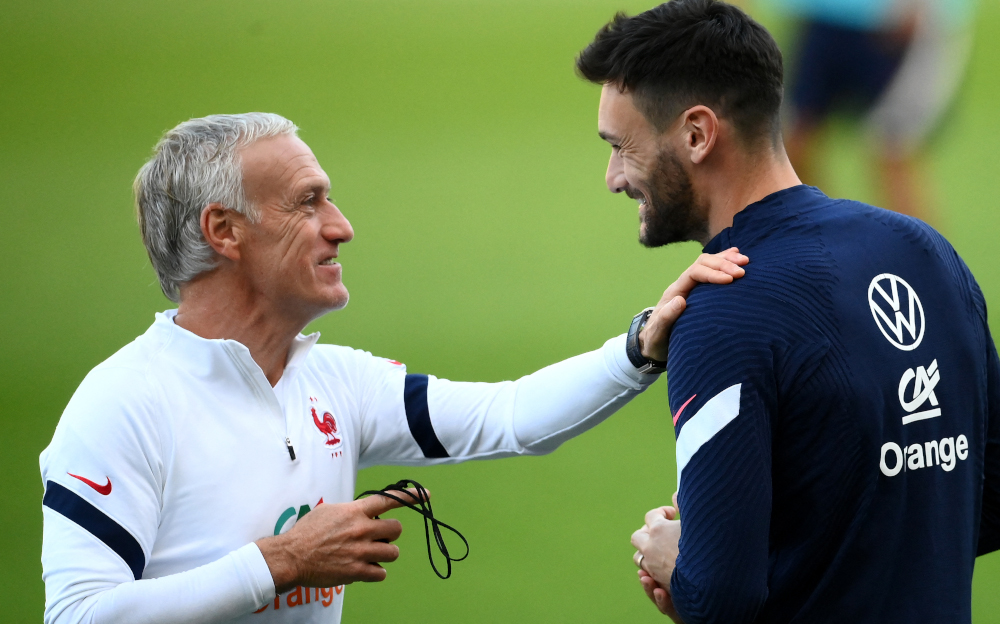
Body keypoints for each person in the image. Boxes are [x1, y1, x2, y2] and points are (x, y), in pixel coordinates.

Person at [38, 113, 748, 624]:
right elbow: (78, 613)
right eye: (306, 202)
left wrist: (639, 346)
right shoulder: (125, 402)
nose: (341, 225)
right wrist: (282, 561)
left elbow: (508, 417)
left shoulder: (336, 384)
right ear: (224, 231)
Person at [575, 1, 999, 622]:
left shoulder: (720, 314)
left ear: (697, 134)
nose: (613, 178)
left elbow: (720, 598)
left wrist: (677, 561)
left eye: (622, 147)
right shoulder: (925, 250)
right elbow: (984, 504)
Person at [775, 0, 975, 223]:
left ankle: (919, 255)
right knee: (795, 140)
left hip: (900, 20)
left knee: (893, 147)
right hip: (821, 13)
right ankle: (827, 243)